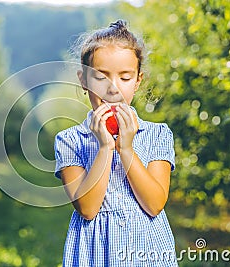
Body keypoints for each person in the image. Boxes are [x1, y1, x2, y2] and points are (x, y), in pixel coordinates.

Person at [54, 19, 178, 266]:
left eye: (125, 77)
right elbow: (88, 208)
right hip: (95, 253)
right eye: (100, 77)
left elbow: (154, 204)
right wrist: (105, 147)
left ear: (138, 80)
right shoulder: (70, 141)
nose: (113, 89)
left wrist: (126, 148)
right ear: (84, 80)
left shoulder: (157, 135)